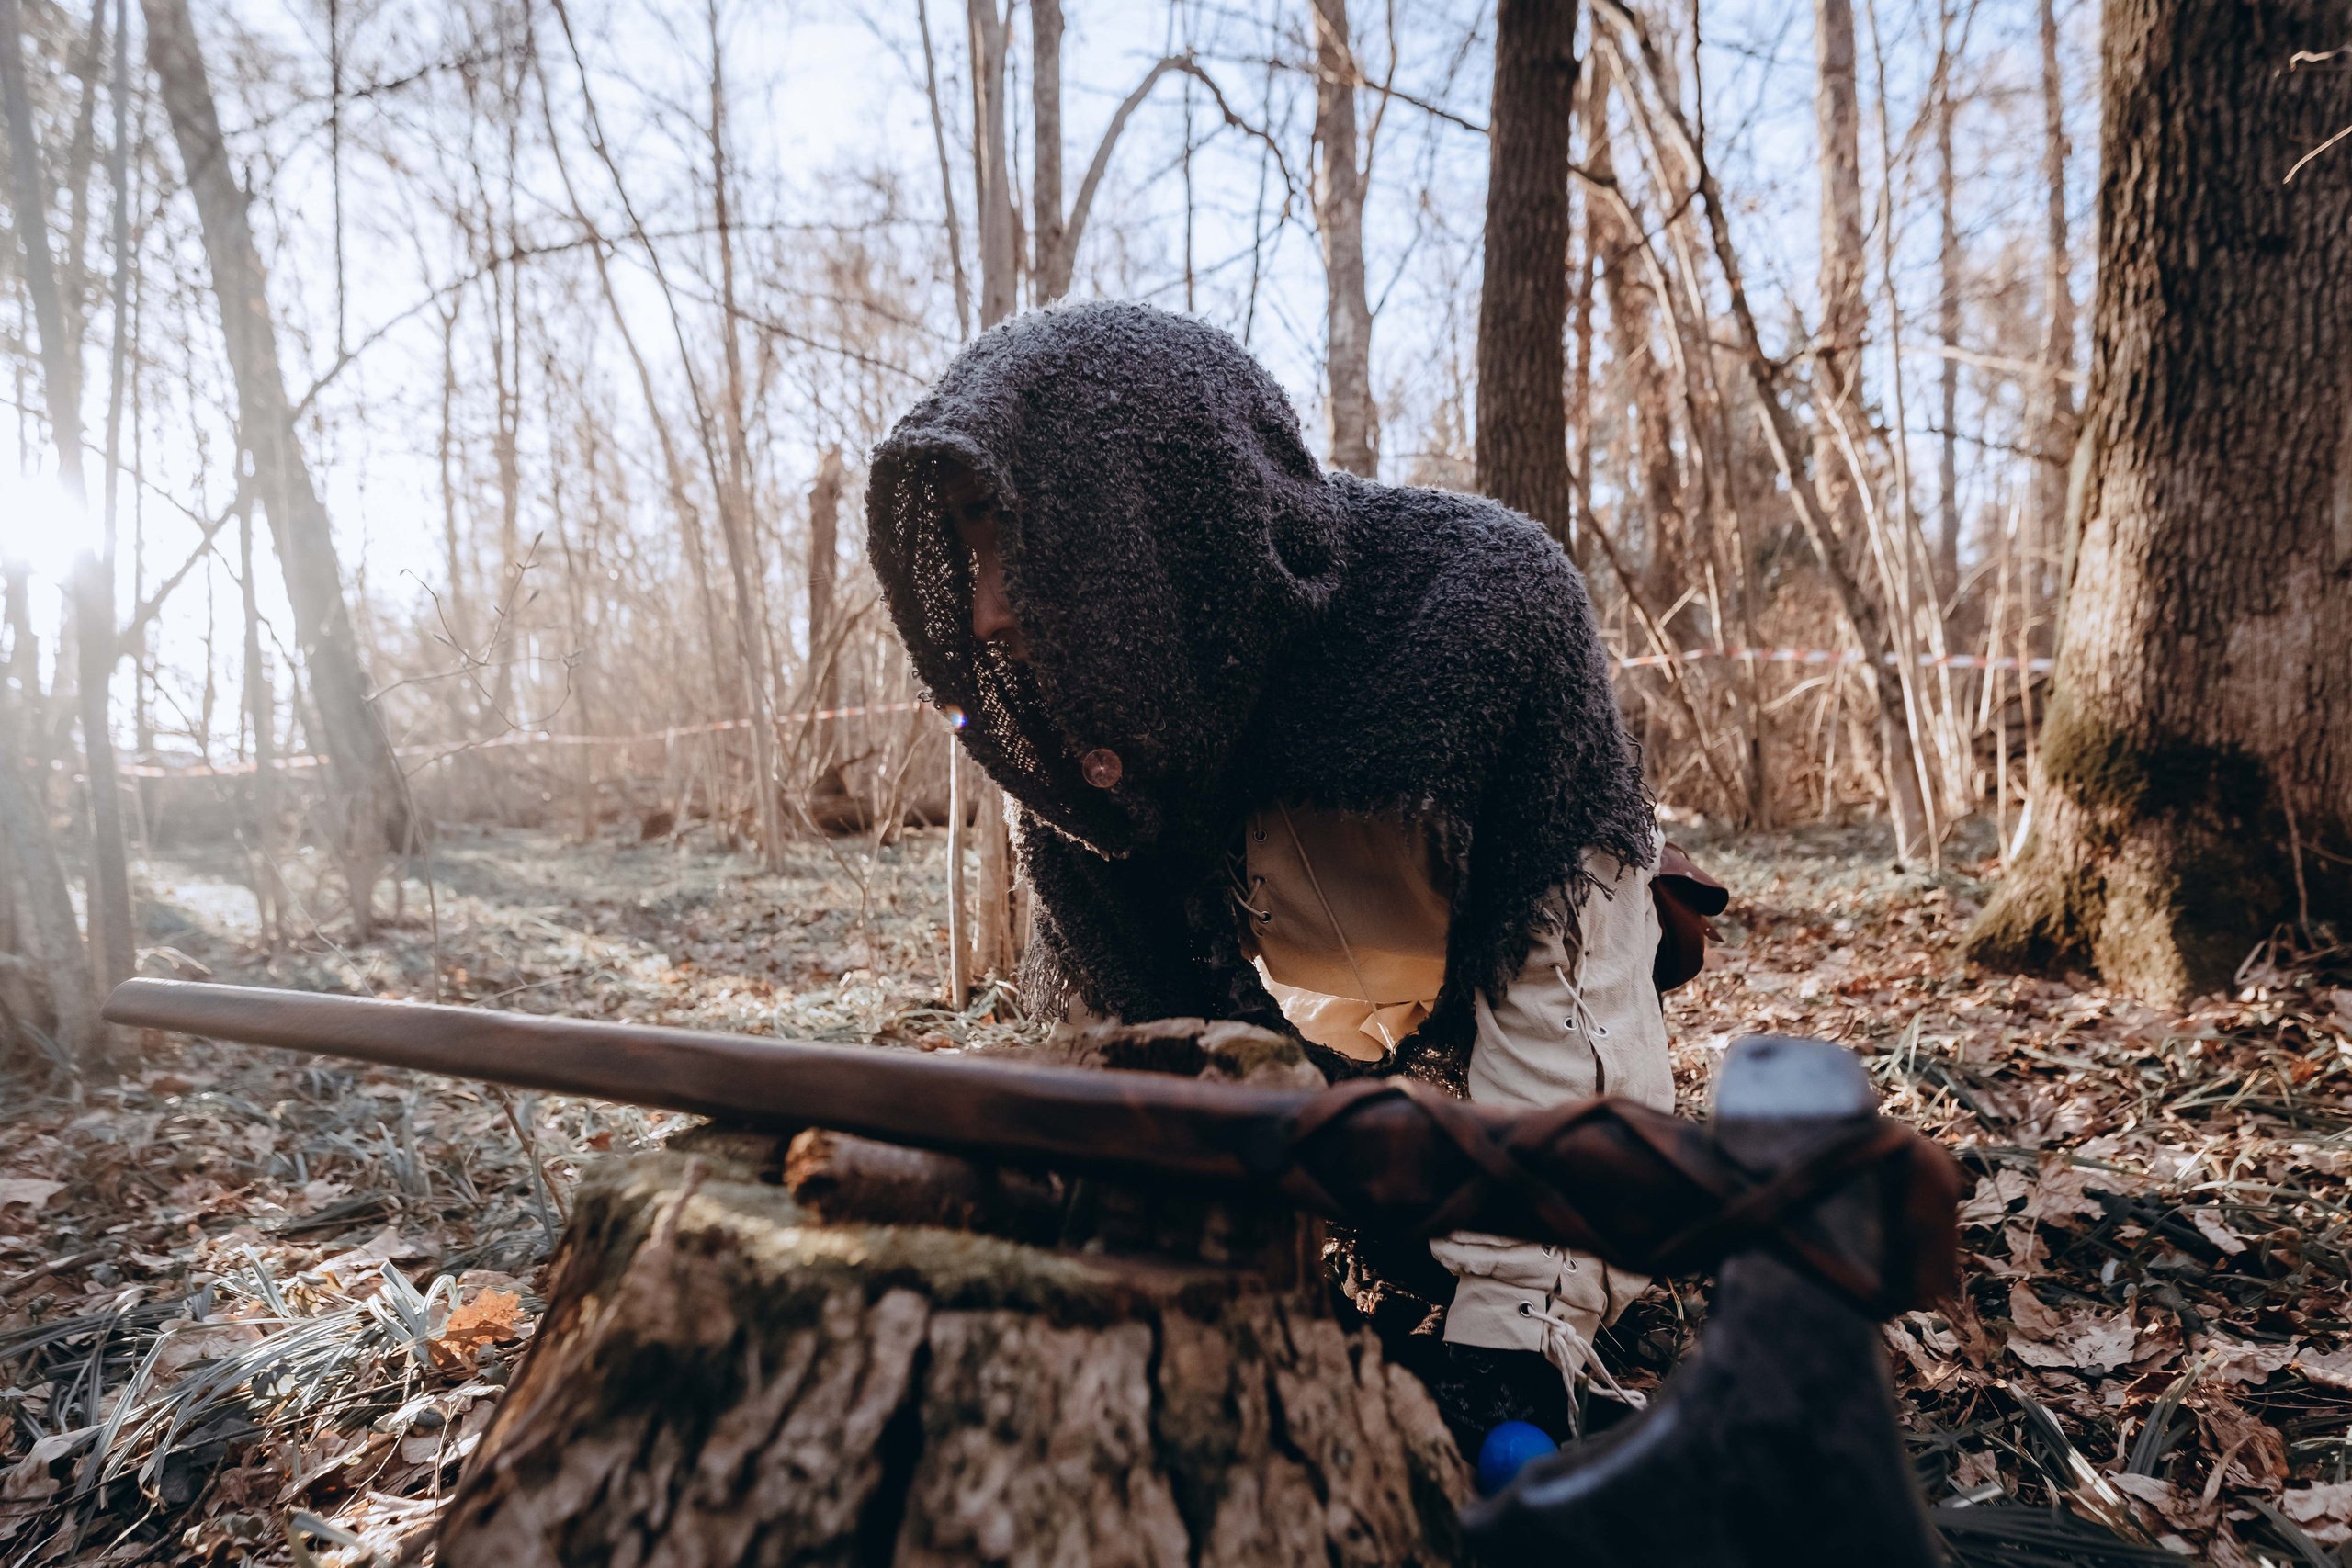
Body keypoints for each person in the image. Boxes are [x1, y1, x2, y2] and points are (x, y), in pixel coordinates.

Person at [866, 300, 1720, 1448]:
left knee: (1520, 1332)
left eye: (1009, 538)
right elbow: (1158, 1038)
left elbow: (1563, 981)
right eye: (968, 548)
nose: (990, 611)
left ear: (1136, 512)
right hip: (1329, 1015)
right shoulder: (1085, 764)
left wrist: (1517, 1334)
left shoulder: (1480, 605)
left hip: (1512, 961)